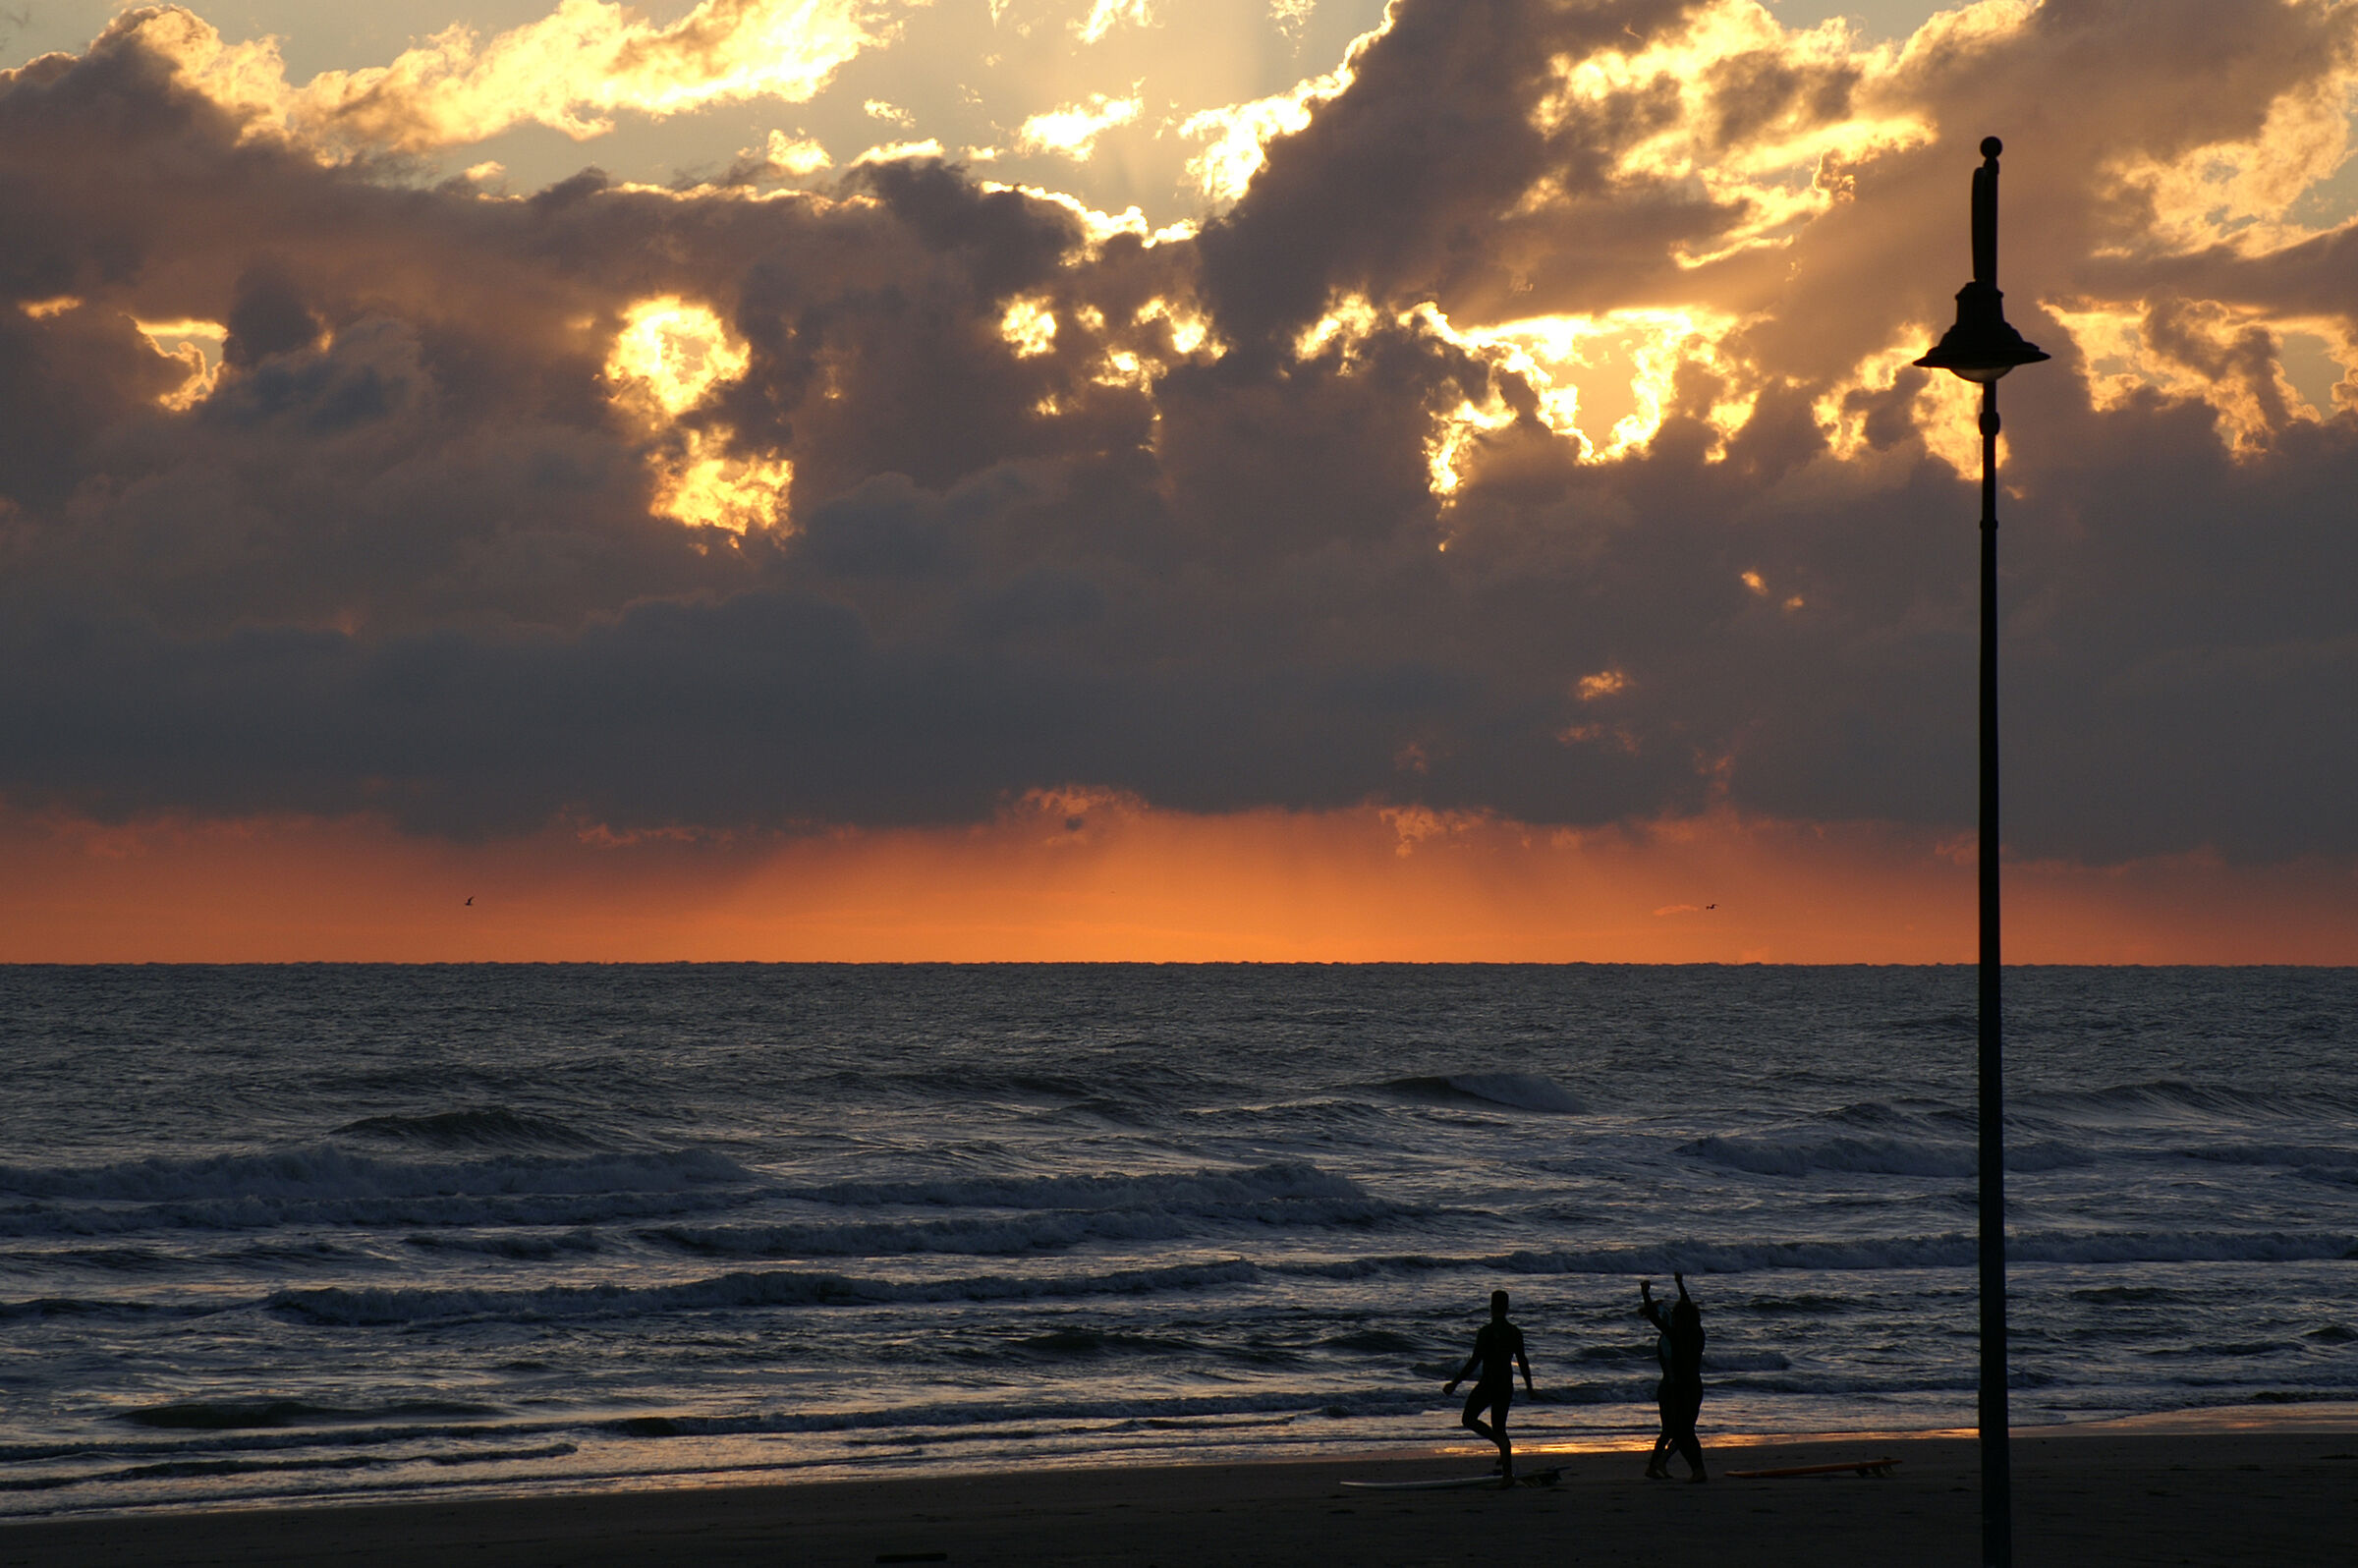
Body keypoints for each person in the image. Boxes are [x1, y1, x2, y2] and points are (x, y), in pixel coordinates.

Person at [1443, 1289, 1534, 1482]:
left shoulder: (1486, 1332)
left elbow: (1475, 1361)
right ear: (1507, 1308)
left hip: (1488, 1383)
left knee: (1468, 1418)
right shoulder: (1514, 1332)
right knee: (1500, 1428)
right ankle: (1507, 1474)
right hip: (1505, 1384)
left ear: (1491, 1308)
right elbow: (1523, 1361)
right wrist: (1529, 1387)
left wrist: (1455, 1383)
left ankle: (1499, 1444)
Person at [1638, 1273, 1707, 1482]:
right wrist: (1680, 1284)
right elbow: (1686, 1304)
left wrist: (1645, 1293)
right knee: (1684, 1431)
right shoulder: (1698, 1333)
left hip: (1675, 1389)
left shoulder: (1674, 1336)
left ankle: (1697, 1470)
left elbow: (1652, 1316)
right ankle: (1694, 1469)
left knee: (1680, 1433)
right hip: (1694, 1387)